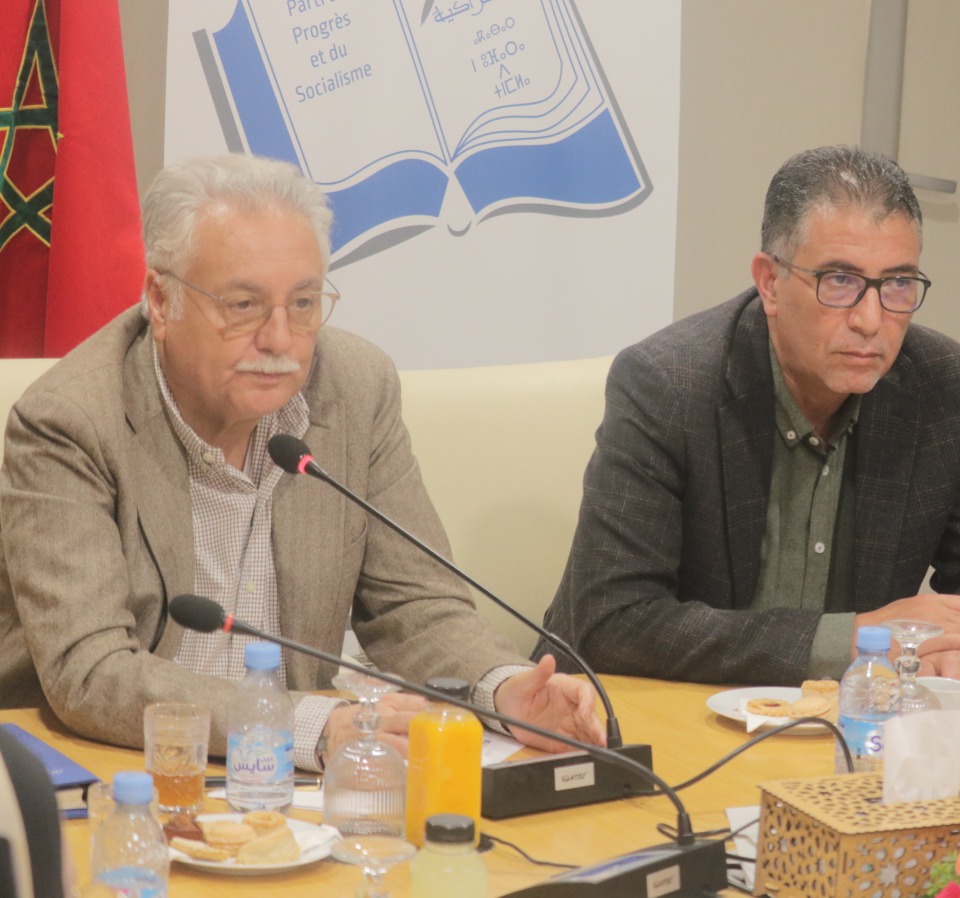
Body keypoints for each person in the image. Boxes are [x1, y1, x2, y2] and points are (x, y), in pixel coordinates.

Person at [0, 154, 604, 768]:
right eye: (243, 305)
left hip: (301, 790)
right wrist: (304, 725)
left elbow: (416, 606)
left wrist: (507, 690)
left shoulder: (356, 387)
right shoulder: (71, 422)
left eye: (304, 303)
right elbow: (91, 671)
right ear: (161, 300)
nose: (280, 340)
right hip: (117, 767)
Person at [539, 145, 960, 685]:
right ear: (769, 282)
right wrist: (848, 640)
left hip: (848, 720)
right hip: (647, 710)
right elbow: (614, 621)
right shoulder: (668, 383)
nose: (870, 320)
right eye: (840, 281)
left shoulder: (943, 385)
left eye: (898, 284)